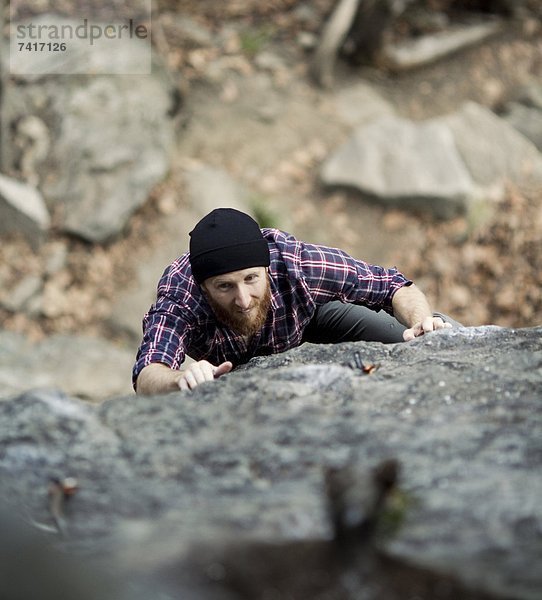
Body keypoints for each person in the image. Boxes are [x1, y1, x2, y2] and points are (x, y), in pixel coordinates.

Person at [133, 208, 458, 395]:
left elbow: (394, 286)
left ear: (267, 268)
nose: (243, 299)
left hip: (316, 319)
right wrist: (180, 379)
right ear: (204, 287)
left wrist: (420, 320)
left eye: (251, 279)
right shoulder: (181, 296)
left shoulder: (300, 265)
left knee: (425, 336)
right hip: (227, 370)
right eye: (225, 286)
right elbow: (148, 372)